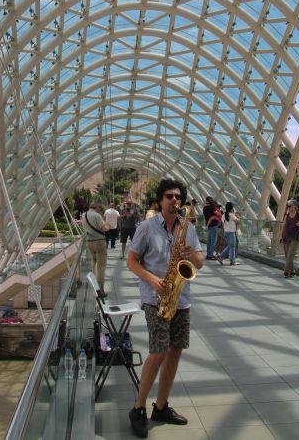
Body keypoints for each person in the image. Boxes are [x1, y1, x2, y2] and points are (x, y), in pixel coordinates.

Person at [126, 179, 204, 437]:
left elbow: (200, 263)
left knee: (175, 352)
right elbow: (132, 261)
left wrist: (190, 254)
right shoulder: (146, 228)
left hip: (181, 299)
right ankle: (138, 408)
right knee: (158, 351)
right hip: (155, 299)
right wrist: (152, 279)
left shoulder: (187, 227)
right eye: (169, 196)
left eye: (178, 197)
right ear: (160, 200)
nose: (174, 200)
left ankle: (161, 407)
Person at [82, 202, 109, 294]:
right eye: (100, 208)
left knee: (94, 263)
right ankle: (100, 290)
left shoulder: (83, 215)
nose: (100, 210)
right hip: (99, 242)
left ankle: (93, 285)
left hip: (89, 242)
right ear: (96, 207)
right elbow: (105, 228)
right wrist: (107, 225)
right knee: (101, 267)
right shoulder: (97, 216)